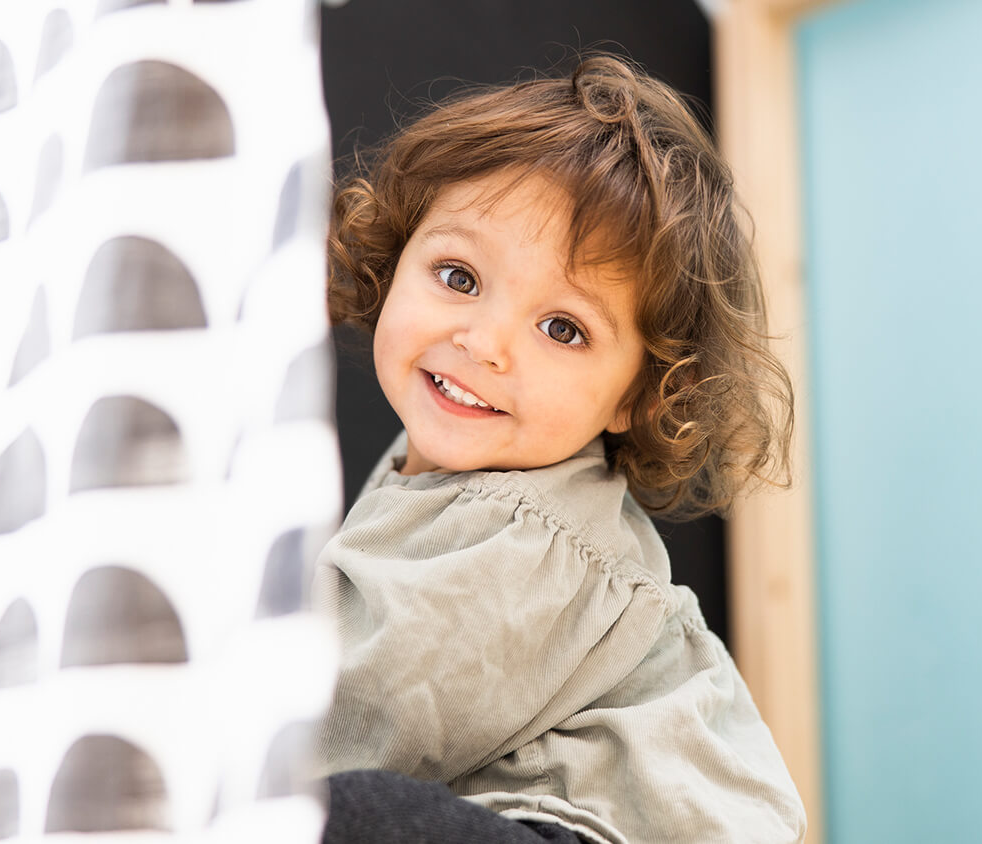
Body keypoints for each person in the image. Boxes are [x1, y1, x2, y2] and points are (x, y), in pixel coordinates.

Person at [316, 53, 805, 844]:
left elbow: (342, 717)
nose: (485, 343)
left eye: (562, 329)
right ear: (399, 252)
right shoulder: (442, 470)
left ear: (637, 397)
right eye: (459, 276)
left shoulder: (526, 535)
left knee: (337, 811)